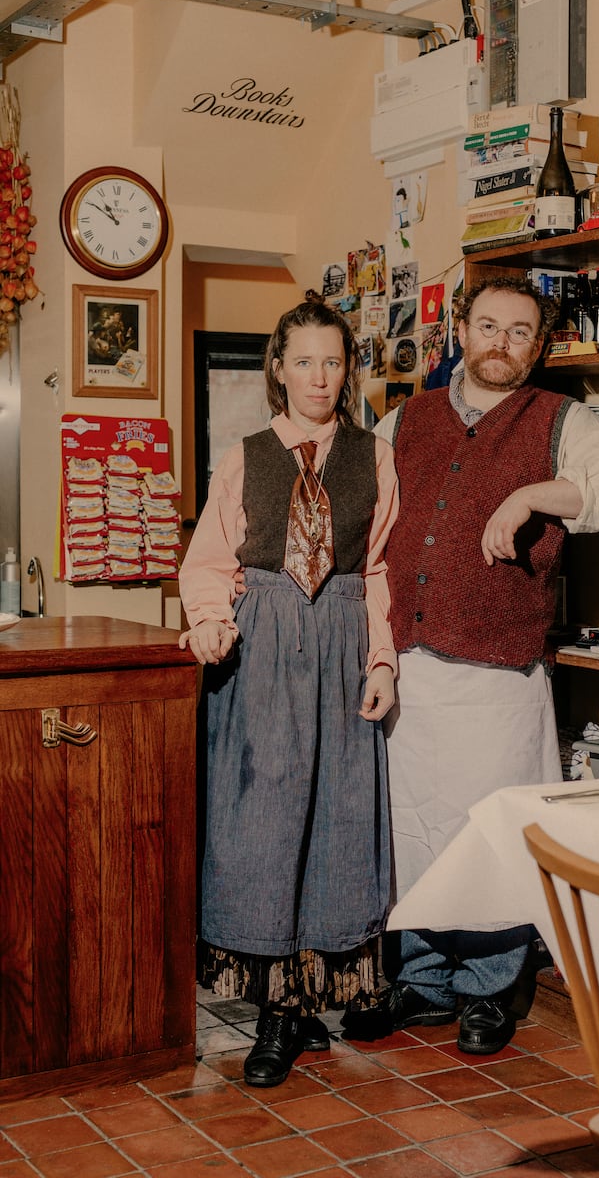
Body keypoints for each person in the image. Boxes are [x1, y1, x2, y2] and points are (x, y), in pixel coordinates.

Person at [370, 275, 599, 1055]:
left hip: (497, 672)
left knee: (489, 833)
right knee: (413, 829)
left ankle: (491, 987)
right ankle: (422, 978)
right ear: (460, 331)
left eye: (519, 332)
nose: (501, 343)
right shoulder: (404, 419)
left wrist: (532, 494)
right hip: (408, 664)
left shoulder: (561, 420)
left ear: (539, 346)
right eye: (488, 326)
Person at [178, 293, 399, 1088]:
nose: (318, 377)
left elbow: (378, 569)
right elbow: (210, 561)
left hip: (340, 643)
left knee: (335, 820)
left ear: (348, 369)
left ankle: (308, 1005)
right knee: (264, 826)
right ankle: (276, 1014)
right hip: (263, 647)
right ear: (278, 368)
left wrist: (382, 662)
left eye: (332, 362)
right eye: (303, 361)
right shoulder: (245, 456)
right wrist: (210, 621)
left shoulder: (375, 457)